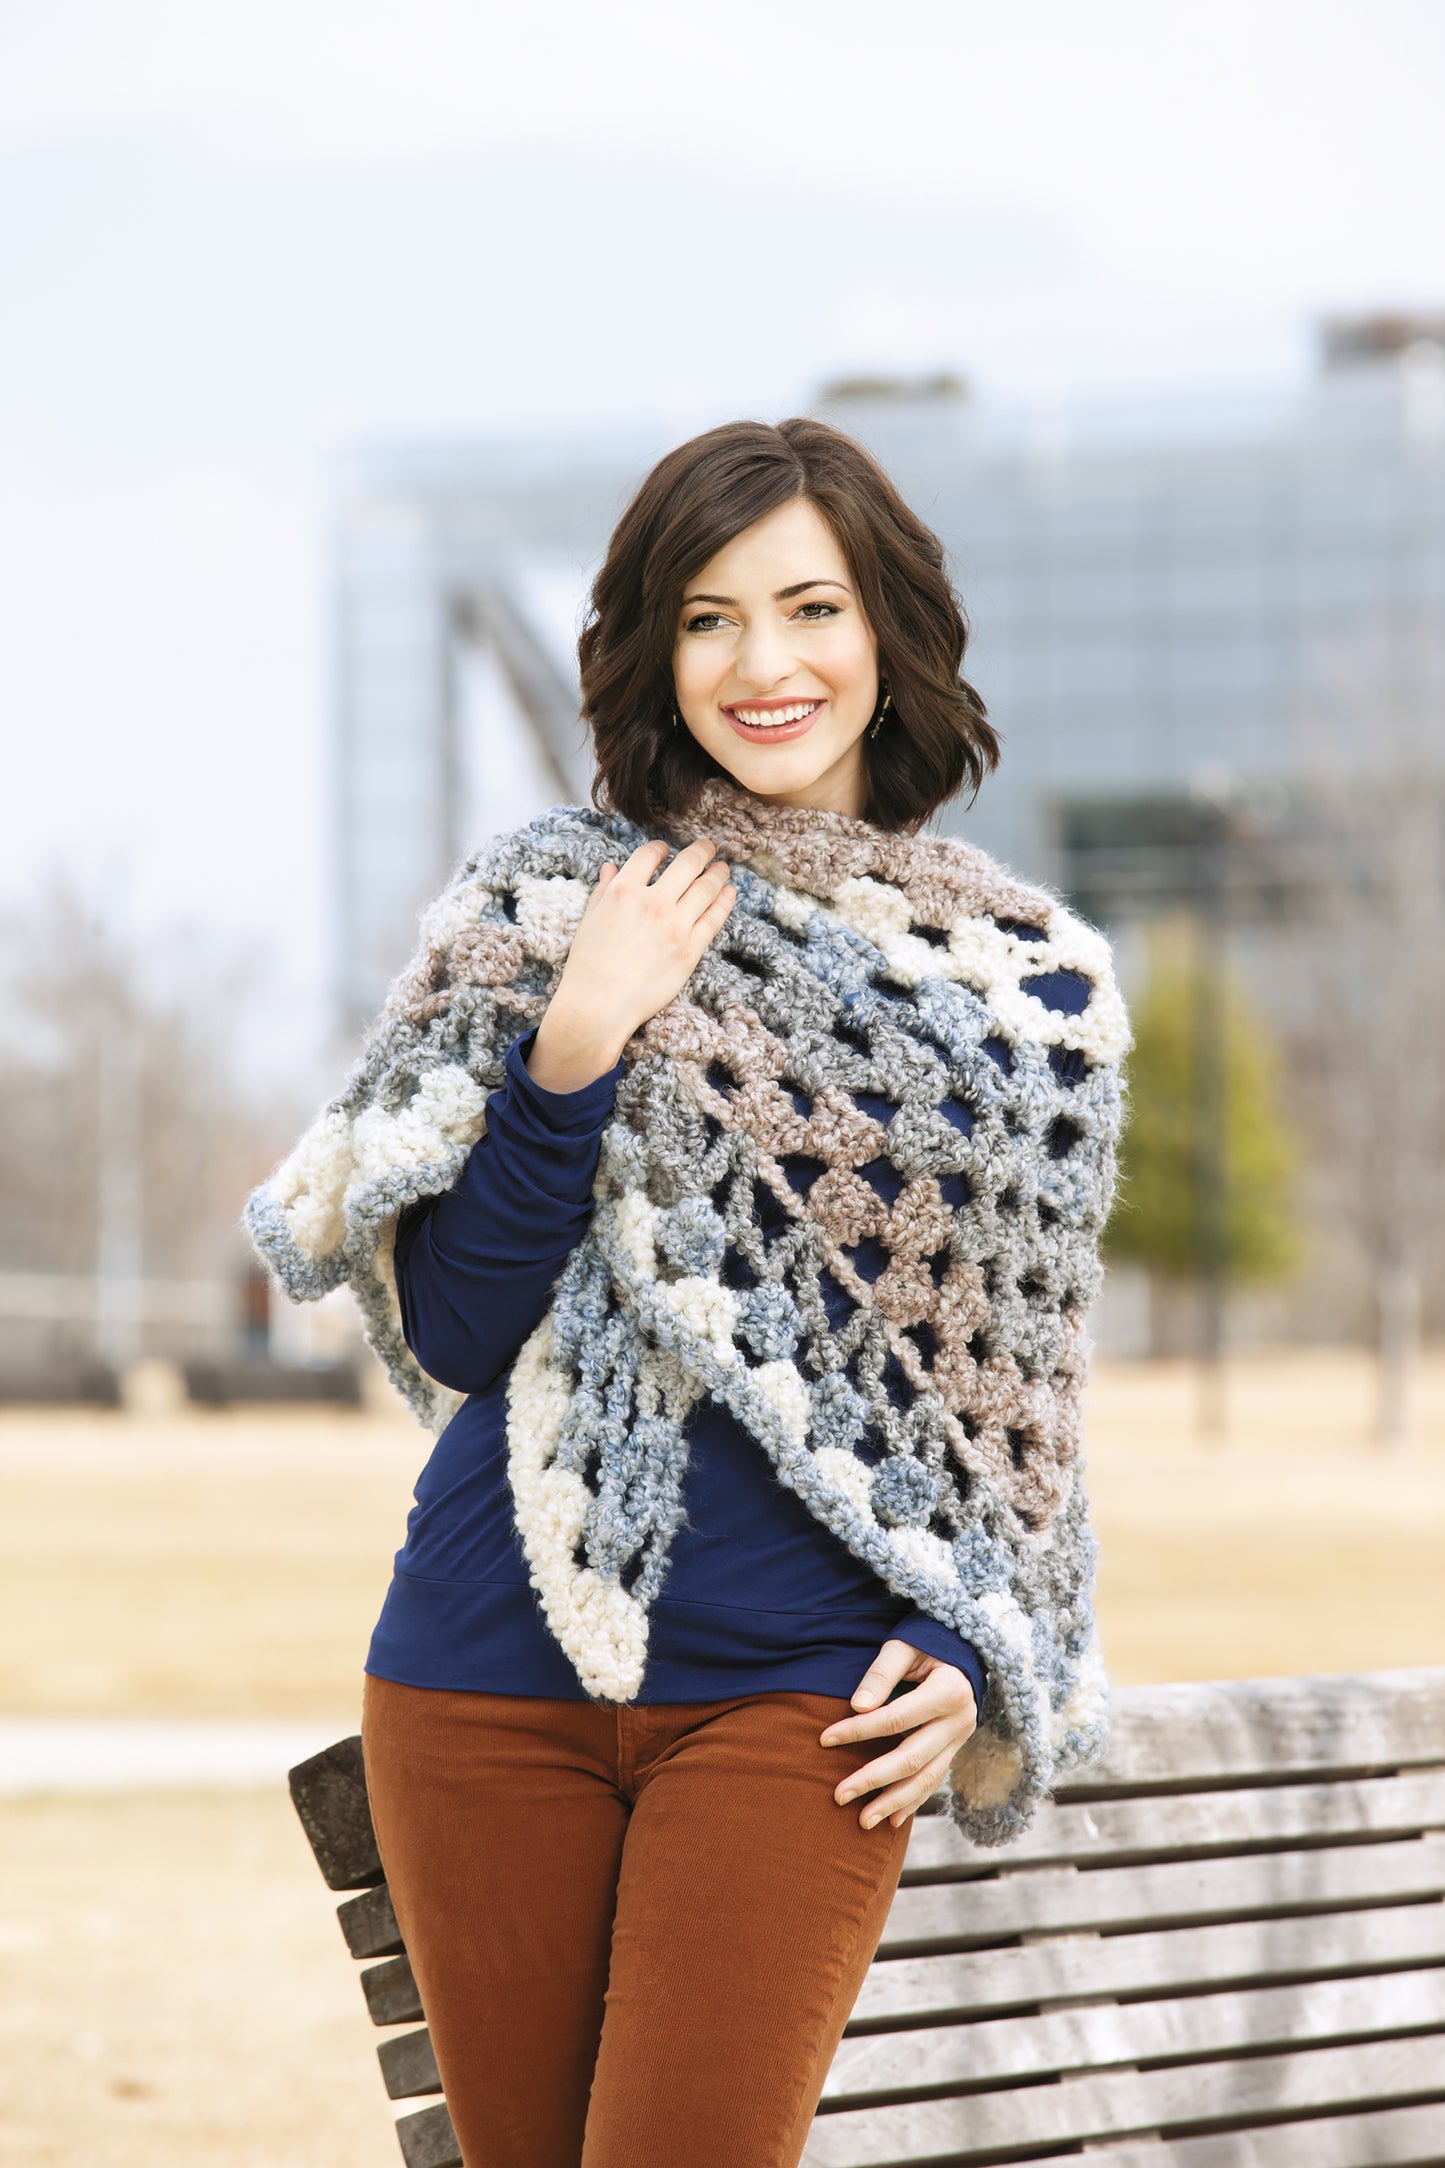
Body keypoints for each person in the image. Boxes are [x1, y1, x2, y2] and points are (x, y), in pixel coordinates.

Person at [247, 417, 1127, 2168]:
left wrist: (966, 1647)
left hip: (797, 1709)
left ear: (888, 635)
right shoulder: (550, 902)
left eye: (807, 607)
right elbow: (456, 1328)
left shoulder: (1024, 1003)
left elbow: (1005, 1425)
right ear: (654, 649)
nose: (762, 663)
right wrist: (576, 1042)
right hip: (481, 1681)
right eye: (707, 617)